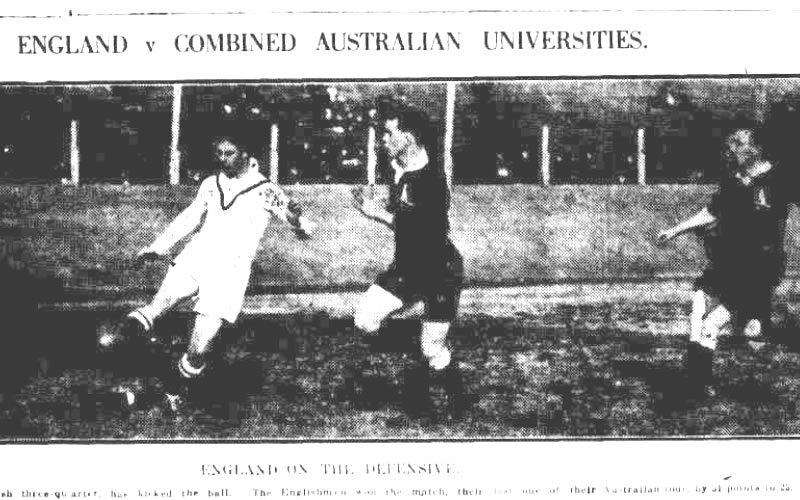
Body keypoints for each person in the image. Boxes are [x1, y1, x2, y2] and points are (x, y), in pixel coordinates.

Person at [109, 134, 315, 412]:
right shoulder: (210, 183)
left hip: (228, 274)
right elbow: (190, 217)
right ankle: (125, 366)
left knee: (199, 350)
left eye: (229, 153)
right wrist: (157, 247)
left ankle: (171, 385)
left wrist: (295, 218)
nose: (222, 159)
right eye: (219, 153)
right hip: (196, 258)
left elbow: (301, 226)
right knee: (154, 309)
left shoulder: (266, 189)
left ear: (246, 154)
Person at [657, 127, 798, 398]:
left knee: (712, 325)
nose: (732, 148)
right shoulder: (733, 180)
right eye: (731, 143)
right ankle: (699, 381)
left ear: (756, 149)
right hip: (730, 262)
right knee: (698, 304)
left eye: (739, 143)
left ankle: (754, 325)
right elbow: (712, 211)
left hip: (759, 269)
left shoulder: (780, 178)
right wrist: (676, 229)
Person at [352, 105, 464, 419]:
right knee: (364, 320)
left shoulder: (430, 181)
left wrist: (376, 213)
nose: (382, 139)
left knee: (433, 350)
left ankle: (457, 395)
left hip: (440, 271)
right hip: (407, 267)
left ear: (410, 138)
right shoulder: (400, 166)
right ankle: (417, 344)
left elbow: (419, 231)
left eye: (389, 133)